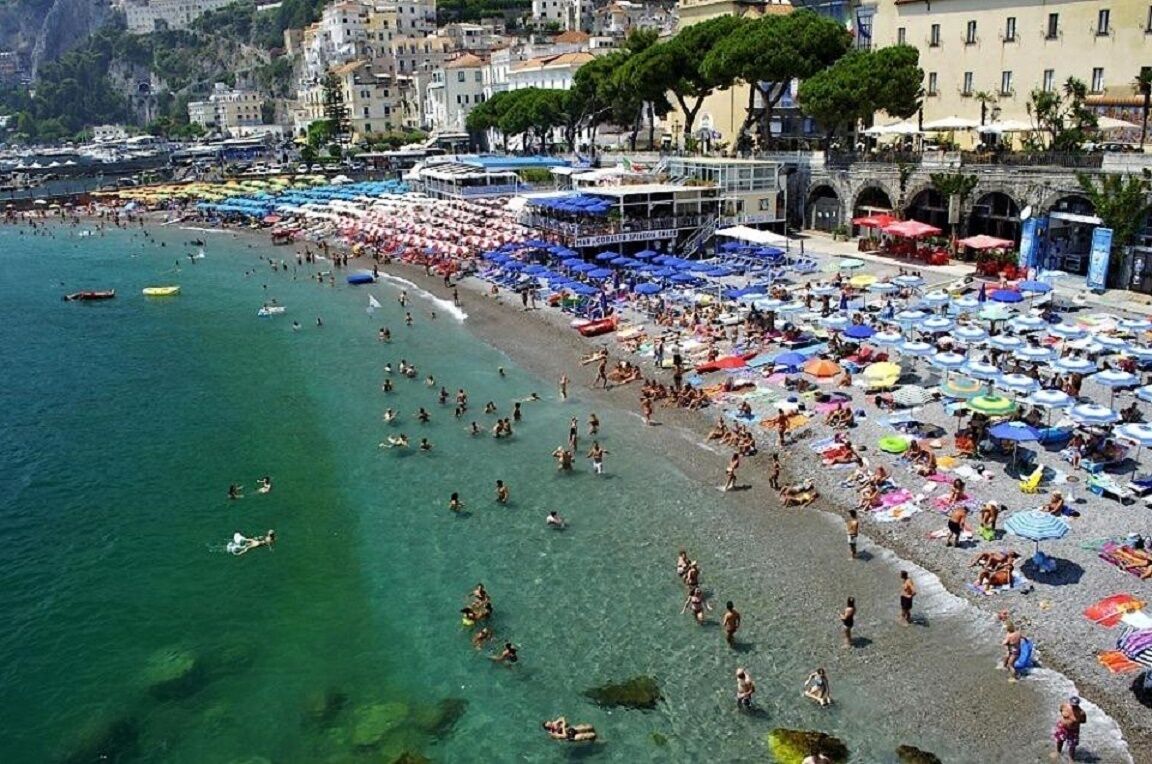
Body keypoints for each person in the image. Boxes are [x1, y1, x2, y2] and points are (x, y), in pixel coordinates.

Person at [1053, 696, 1087, 761]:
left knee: (1072, 746)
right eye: (1073, 705)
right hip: (1062, 727)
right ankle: (1058, 752)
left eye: (1075, 705)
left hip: (1073, 730)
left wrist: (1074, 722)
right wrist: (1066, 719)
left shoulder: (1081, 713)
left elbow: (1083, 721)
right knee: (1059, 740)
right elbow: (1060, 710)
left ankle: (1071, 759)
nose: (1074, 707)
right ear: (1070, 702)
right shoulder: (1064, 706)